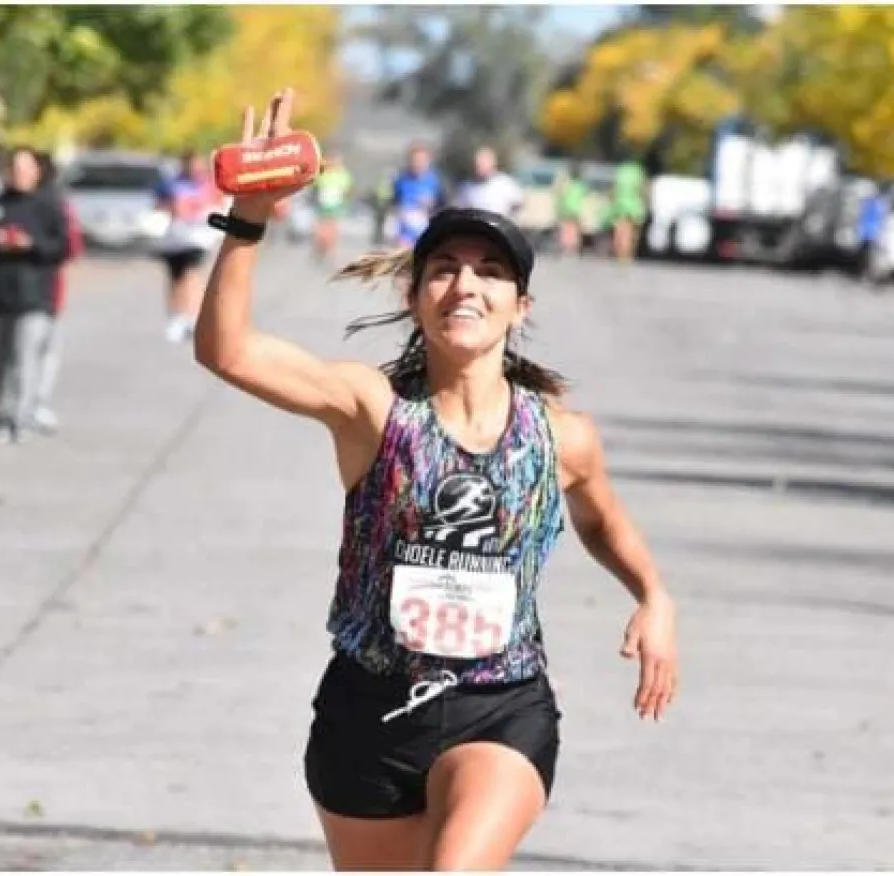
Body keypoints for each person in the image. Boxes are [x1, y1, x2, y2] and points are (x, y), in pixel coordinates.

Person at [194, 89, 678, 871]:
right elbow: (229, 351)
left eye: (491, 272)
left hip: (501, 707)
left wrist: (653, 596)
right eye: (445, 270)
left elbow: (600, 519)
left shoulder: (561, 436)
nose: (466, 285)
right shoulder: (373, 410)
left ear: (520, 306)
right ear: (415, 297)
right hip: (367, 714)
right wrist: (248, 218)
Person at [0, 146, 68, 444]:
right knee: (0, 361)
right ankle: (2, 416)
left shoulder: (48, 207)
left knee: (25, 360)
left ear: (36, 172)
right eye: (15, 169)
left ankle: (20, 418)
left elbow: (61, 248)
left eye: (25, 169)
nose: (19, 175)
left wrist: (30, 244)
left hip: (34, 297)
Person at [31, 151, 84, 434]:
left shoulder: (56, 204)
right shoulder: (2, 202)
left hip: (47, 289)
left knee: (43, 350)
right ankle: (23, 406)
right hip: (11, 292)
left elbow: (71, 246)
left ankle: (35, 404)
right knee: (29, 353)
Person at [153, 150, 226, 344]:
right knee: (175, 279)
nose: (196, 168)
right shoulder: (171, 184)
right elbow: (158, 205)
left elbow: (219, 204)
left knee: (191, 275)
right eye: (192, 164)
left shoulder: (208, 184)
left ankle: (192, 316)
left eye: (198, 164)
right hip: (174, 238)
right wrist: (173, 208)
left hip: (198, 239)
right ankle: (176, 316)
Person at [390, 141, 446, 248]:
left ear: (428, 161)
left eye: (421, 160)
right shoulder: (401, 180)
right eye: (415, 160)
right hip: (405, 233)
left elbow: (443, 206)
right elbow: (394, 204)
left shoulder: (435, 181)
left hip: (427, 231)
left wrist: (432, 207)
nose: (418, 164)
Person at [451, 146, 523, 219]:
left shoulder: (505, 183)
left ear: (493, 163)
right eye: (478, 164)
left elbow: (518, 204)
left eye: (484, 163)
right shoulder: (465, 188)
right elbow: (458, 209)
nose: (480, 167)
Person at [311, 150, 353, 264]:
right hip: (322, 205)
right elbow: (314, 186)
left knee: (333, 229)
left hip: (336, 205)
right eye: (331, 160)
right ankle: (321, 247)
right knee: (320, 230)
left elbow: (347, 190)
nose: (333, 162)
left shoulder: (343, 174)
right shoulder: (322, 173)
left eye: (336, 160)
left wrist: (345, 200)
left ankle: (331, 251)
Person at [606, 155, 647, 263]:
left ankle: (620, 252)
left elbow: (613, 188)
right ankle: (626, 254)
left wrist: (611, 201)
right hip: (634, 205)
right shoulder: (638, 171)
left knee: (620, 230)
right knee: (630, 232)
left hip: (619, 205)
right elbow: (643, 189)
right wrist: (645, 202)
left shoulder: (620, 171)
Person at [554, 163, 589, 257]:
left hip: (566, 209)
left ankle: (567, 247)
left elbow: (559, 194)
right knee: (574, 230)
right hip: (575, 210)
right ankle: (573, 247)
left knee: (566, 230)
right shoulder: (580, 185)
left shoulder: (566, 184)